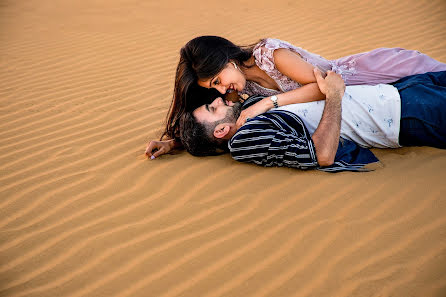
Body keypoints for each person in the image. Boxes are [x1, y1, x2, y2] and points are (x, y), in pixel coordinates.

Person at [146, 35, 446, 159]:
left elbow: (323, 87)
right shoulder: (242, 87)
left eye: (217, 81)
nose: (222, 91)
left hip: (376, 74)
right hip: (374, 99)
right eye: (215, 90)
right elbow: (218, 128)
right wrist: (176, 141)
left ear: (227, 60)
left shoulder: (269, 55)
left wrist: (268, 102)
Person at [178, 70, 446, 172]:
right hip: (408, 113)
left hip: (402, 89)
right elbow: (322, 155)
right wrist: (335, 96)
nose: (223, 99)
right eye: (214, 108)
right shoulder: (244, 139)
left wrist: (175, 141)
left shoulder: (246, 113)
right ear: (223, 131)